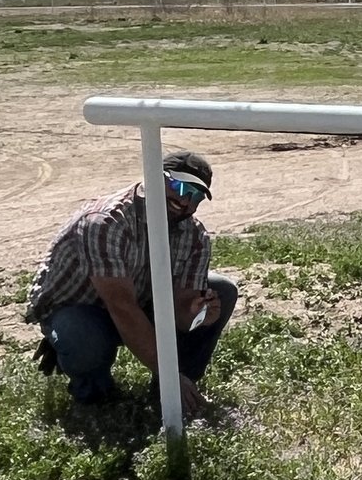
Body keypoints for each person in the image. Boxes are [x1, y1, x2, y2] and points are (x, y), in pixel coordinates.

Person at [25, 149, 236, 415]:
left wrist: (197, 315)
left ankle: (178, 389)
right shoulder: (106, 221)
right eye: (178, 185)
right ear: (153, 178)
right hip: (82, 308)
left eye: (194, 195)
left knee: (222, 290)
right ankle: (95, 399)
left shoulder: (195, 236)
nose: (184, 199)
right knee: (81, 333)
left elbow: (181, 312)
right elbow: (120, 306)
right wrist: (169, 372)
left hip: (139, 301)